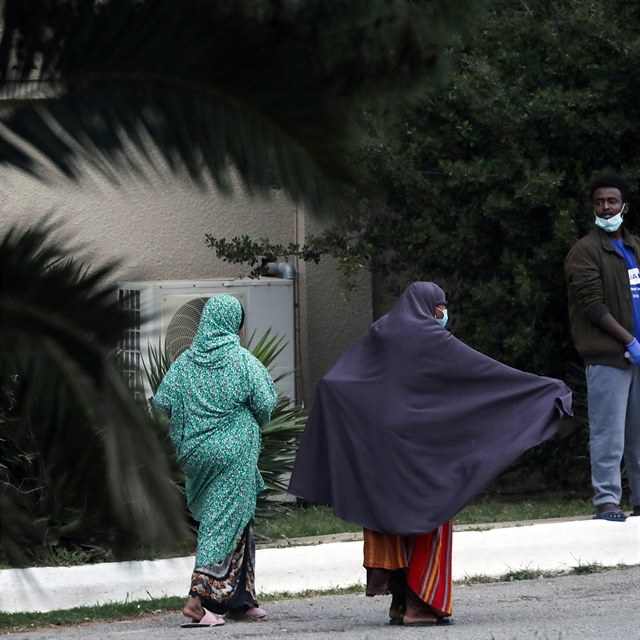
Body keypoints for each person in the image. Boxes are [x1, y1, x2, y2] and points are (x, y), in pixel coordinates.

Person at [288, 282, 572, 626]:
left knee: (389, 522)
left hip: (382, 454)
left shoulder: (381, 331)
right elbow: (483, 376)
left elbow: (336, 381)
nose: (443, 313)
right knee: (431, 516)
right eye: (441, 306)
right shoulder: (433, 339)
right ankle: (420, 606)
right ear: (430, 308)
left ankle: (397, 603)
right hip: (422, 453)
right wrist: (540, 389)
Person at [153, 294, 277, 627]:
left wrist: (194, 420)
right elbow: (266, 403)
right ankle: (197, 601)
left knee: (237, 519)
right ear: (233, 323)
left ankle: (240, 598)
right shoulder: (242, 361)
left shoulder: (184, 362)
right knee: (221, 523)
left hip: (197, 455)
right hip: (233, 454)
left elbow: (162, 402)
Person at [564, 174, 640, 522]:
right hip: (610, 356)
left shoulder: (636, 247)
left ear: (624, 206)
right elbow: (592, 305)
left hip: (639, 357)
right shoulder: (584, 251)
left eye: (611, 201)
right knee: (609, 433)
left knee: (638, 435)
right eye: (599, 202)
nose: (605, 207)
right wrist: (629, 340)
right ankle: (607, 502)